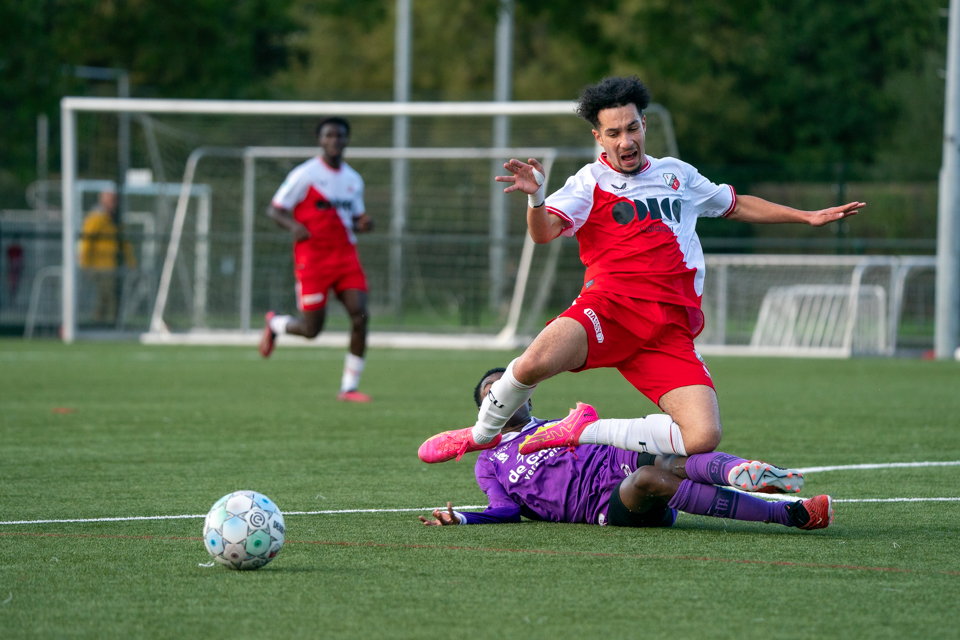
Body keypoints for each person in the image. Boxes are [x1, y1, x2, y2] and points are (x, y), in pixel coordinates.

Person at [419, 76, 866, 462]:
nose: (626, 141)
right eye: (613, 133)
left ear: (644, 125)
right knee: (533, 362)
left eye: (632, 128)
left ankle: (582, 429)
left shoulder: (677, 175)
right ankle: (481, 434)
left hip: (668, 328)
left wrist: (806, 216)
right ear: (599, 138)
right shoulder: (588, 182)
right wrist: (536, 197)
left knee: (702, 437)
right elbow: (543, 233)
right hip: (607, 309)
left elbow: (735, 204)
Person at [419, 368, 833, 531]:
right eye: (493, 394)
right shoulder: (490, 463)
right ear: (484, 413)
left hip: (615, 459)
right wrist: (465, 518)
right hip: (605, 504)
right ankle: (789, 513)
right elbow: (507, 510)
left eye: (509, 389)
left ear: (528, 398)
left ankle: (748, 473)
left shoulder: (555, 427)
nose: (504, 397)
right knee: (650, 478)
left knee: (672, 458)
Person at [259, 117, 375, 402]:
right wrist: (293, 226)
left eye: (340, 136)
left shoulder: (353, 179)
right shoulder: (306, 174)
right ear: (320, 140)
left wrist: (364, 223)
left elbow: (355, 216)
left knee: (360, 316)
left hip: (346, 256)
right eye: (329, 135)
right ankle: (275, 324)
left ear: (347, 140)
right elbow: (275, 210)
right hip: (312, 259)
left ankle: (349, 387)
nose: (335, 140)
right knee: (312, 330)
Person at [78, 190, 135, 324]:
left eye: (115, 200)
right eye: (111, 200)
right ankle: (106, 325)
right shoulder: (96, 218)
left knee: (107, 297)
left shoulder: (116, 220)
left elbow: (124, 243)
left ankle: (104, 324)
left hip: (115, 266)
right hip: (100, 266)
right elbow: (86, 242)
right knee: (108, 297)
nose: (114, 203)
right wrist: (85, 264)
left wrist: (131, 262)